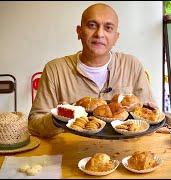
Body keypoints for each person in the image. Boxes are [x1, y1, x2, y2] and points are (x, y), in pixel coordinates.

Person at [28, 3, 156, 138]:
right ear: (79, 32)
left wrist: (152, 112)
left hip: (123, 151)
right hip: (72, 150)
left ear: (116, 37)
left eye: (108, 28)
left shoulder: (132, 65)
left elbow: (150, 119)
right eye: (92, 25)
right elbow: (34, 126)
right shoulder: (55, 70)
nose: (99, 34)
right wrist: (60, 116)